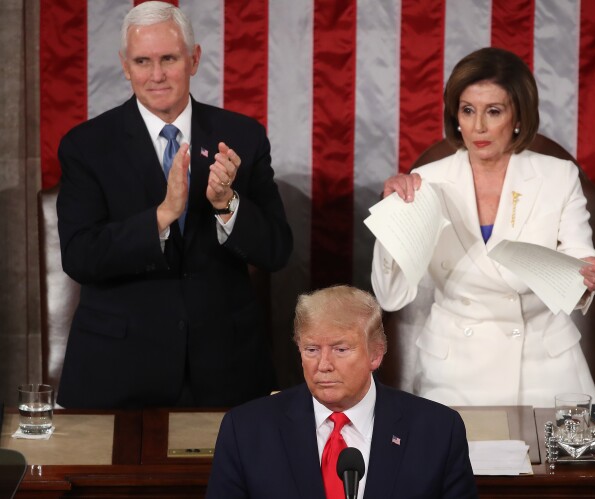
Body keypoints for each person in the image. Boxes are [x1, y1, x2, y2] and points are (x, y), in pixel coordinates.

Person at [56, 1, 293, 408]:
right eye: (143, 61)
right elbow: (80, 256)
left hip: (227, 368)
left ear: (194, 59)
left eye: (169, 58)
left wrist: (227, 204)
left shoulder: (242, 136)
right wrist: (162, 216)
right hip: (119, 370)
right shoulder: (86, 146)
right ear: (125, 66)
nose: (157, 74)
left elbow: (276, 250)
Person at [371, 47, 595, 408]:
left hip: (546, 370)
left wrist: (589, 275)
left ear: (518, 117)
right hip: (452, 373)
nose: (478, 126)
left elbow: (579, 255)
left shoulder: (557, 176)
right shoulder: (425, 183)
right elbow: (390, 296)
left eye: (493, 111)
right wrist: (394, 217)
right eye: (468, 111)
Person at [205, 285, 477, 499]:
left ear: (376, 354)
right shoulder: (246, 430)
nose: (323, 365)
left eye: (340, 349)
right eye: (311, 350)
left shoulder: (438, 431)